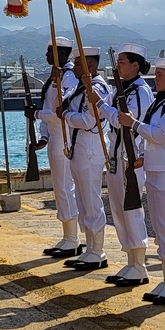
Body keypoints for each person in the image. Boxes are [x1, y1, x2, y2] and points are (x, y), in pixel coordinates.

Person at [118, 57, 165, 305]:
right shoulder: (161, 101)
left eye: (161, 75)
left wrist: (133, 123)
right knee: (160, 230)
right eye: (156, 74)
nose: (156, 78)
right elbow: (151, 138)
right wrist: (141, 156)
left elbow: (161, 135)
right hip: (156, 169)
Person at [94, 43, 154, 287]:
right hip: (117, 155)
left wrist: (100, 104)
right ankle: (130, 261)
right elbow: (105, 115)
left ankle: (139, 264)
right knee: (118, 211)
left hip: (132, 157)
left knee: (131, 210)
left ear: (135, 65)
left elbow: (123, 122)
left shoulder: (140, 91)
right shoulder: (121, 89)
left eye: (121, 62)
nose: (117, 66)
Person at [57, 46, 110, 271]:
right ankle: (89, 249)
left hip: (90, 150)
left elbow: (90, 121)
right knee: (82, 201)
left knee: (91, 202)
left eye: (78, 64)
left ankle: (97, 251)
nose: (74, 67)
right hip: (79, 150)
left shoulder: (97, 88)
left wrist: (66, 116)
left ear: (91, 66)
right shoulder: (81, 87)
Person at [29, 36, 80, 258]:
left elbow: (61, 112)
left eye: (50, 51)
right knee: (59, 189)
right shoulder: (53, 78)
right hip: (55, 138)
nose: (47, 56)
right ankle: (67, 235)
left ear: (61, 53)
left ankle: (73, 239)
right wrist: (43, 136)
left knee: (65, 188)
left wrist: (37, 114)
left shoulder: (68, 78)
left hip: (66, 138)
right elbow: (47, 106)